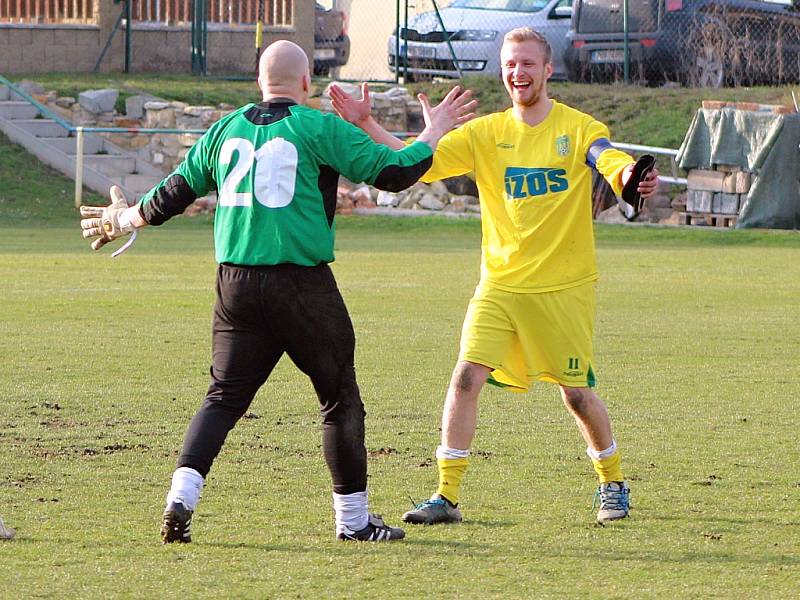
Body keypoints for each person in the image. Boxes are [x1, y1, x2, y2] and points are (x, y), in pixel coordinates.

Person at [79, 40, 476, 543]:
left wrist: (122, 219)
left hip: (235, 284)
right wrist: (435, 131)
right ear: (307, 83)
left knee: (222, 397)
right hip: (299, 283)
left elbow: (173, 194)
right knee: (339, 398)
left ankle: (181, 496)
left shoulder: (224, 129)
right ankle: (353, 522)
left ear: (257, 81)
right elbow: (394, 174)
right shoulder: (317, 126)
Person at [329, 27, 660, 525]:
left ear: (548, 70)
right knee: (465, 377)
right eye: (510, 64)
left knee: (576, 395)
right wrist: (368, 122)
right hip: (500, 285)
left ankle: (613, 483)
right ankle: (446, 495)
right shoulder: (486, 134)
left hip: (562, 287)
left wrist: (630, 178)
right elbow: (413, 162)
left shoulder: (579, 127)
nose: (517, 72)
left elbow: (607, 159)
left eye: (528, 63)